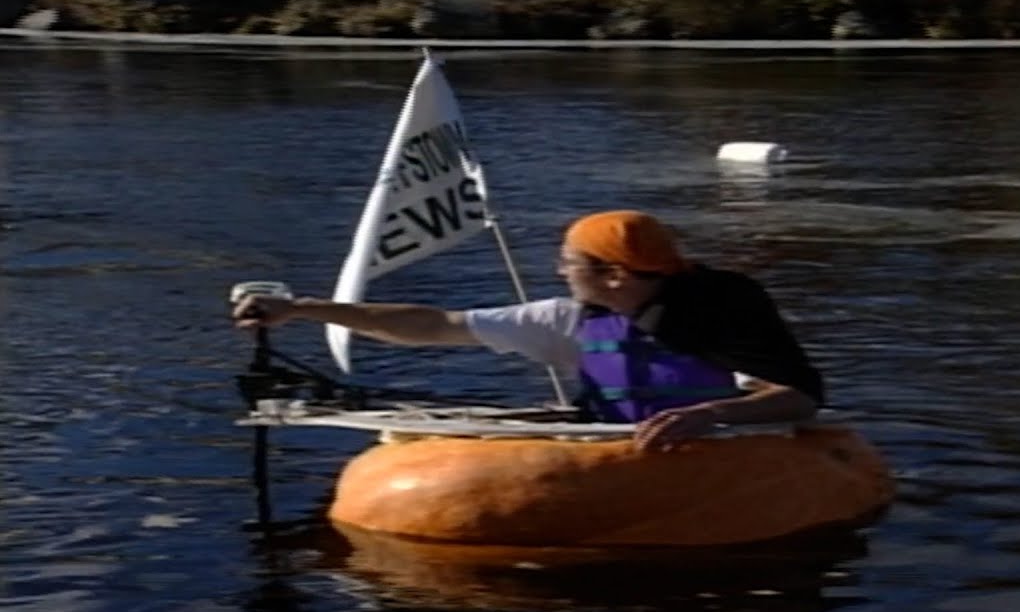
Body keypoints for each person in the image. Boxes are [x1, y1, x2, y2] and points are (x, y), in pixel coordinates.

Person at [233, 210, 825, 452]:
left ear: (615, 275)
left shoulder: (723, 308)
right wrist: (304, 309)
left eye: (569, 262)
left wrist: (711, 414)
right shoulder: (569, 317)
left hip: (718, 455)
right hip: (616, 451)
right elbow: (434, 325)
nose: (559, 271)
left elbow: (798, 398)